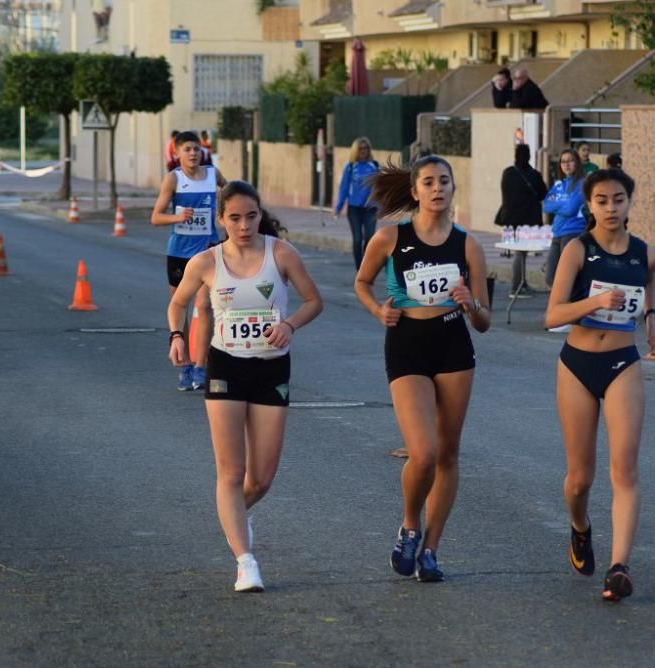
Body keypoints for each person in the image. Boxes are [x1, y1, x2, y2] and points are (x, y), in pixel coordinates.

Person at [167, 180, 323, 593]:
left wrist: (289, 324)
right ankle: (245, 561)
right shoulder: (205, 262)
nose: (243, 225)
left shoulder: (281, 253)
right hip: (225, 367)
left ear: (259, 215)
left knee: (262, 477)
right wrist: (177, 336)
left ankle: (232, 514)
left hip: (271, 370)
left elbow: (313, 300)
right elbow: (177, 302)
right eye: (234, 218)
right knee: (231, 471)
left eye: (250, 216)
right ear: (221, 220)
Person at [354, 155, 491, 583]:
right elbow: (362, 282)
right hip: (408, 345)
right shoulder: (390, 238)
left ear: (453, 189)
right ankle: (410, 525)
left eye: (444, 182)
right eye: (428, 182)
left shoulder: (468, 245)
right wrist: (378, 310)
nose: (437, 189)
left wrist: (470, 304)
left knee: (448, 453)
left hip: (453, 343)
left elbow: (484, 320)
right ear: (415, 191)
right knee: (424, 452)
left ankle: (431, 549)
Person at [543, 168, 655, 603]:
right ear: (588, 205)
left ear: (629, 203)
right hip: (577, 366)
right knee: (580, 479)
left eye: (618, 200)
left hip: (622, 364)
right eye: (601, 201)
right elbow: (552, 315)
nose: (611, 208)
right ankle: (579, 527)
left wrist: (651, 319)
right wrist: (593, 301)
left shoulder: (646, 254)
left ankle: (619, 568)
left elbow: (648, 280)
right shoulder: (578, 250)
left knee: (624, 469)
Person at [151, 130, 227, 391]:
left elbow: (230, 195)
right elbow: (156, 217)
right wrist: (178, 218)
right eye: (187, 149)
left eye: (196, 149)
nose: (193, 153)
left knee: (204, 306)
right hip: (179, 252)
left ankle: (200, 366)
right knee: (180, 306)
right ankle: (183, 365)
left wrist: (223, 213)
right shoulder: (174, 179)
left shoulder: (212, 175)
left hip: (207, 252)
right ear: (177, 153)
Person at [497, 143, 547, 295]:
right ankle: (517, 286)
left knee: (519, 251)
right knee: (521, 252)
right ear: (529, 156)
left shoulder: (508, 173)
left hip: (509, 219)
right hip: (528, 219)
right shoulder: (534, 175)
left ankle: (521, 283)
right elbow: (543, 194)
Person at [335, 137, 380, 270]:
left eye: (366, 148)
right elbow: (343, 187)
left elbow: (380, 187)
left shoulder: (375, 166)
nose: (363, 151)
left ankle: (366, 265)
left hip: (370, 208)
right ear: (355, 150)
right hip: (354, 208)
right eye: (360, 148)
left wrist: (382, 204)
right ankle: (359, 268)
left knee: (370, 238)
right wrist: (339, 206)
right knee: (357, 239)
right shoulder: (350, 167)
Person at [543, 149, 586, 290]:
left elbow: (571, 209)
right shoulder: (559, 184)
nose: (566, 164)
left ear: (577, 163)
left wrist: (558, 205)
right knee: (550, 276)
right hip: (557, 233)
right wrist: (564, 202)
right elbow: (546, 206)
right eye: (563, 161)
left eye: (570, 161)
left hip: (573, 233)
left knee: (567, 276)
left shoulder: (582, 184)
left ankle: (569, 306)